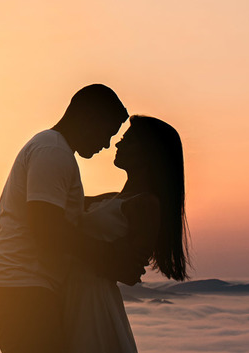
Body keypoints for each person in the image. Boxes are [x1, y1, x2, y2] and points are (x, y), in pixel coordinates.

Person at [0, 84, 142, 353]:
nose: (106, 144)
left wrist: (117, 200)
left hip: (13, 285)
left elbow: (59, 208)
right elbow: (47, 229)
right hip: (18, 286)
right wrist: (110, 258)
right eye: (106, 133)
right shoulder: (53, 153)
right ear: (88, 119)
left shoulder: (51, 149)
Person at [63, 115, 190, 353]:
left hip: (92, 300)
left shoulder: (146, 204)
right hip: (71, 292)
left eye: (127, 140)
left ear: (147, 154)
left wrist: (70, 243)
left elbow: (130, 271)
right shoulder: (110, 198)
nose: (118, 144)